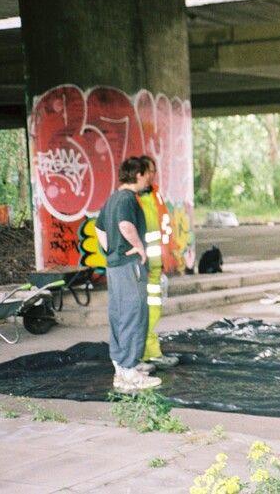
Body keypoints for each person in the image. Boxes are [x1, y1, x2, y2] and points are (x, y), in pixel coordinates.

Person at [95, 156, 162, 392]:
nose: (150, 178)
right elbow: (125, 226)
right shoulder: (126, 199)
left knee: (119, 314)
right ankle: (130, 372)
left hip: (115, 266)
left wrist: (110, 251)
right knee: (134, 314)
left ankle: (122, 369)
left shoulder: (113, 198)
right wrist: (138, 248)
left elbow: (99, 228)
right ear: (138, 174)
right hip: (128, 265)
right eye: (148, 174)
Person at [138, 155, 179, 368]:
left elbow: (164, 226)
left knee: (154, 308)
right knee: (148, 309)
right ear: (140, 173)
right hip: (142, 266)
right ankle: (147, 353)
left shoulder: (155, 195)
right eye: (150, 171)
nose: (154, 175)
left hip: (155, 264)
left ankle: (150, 352)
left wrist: (169, 255)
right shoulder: (134, 198)